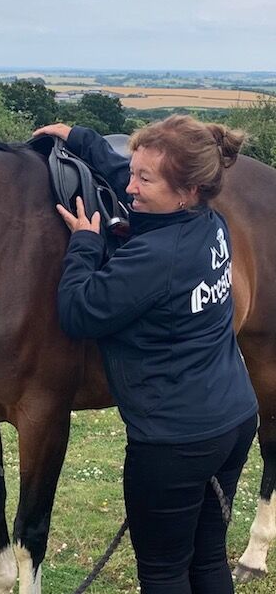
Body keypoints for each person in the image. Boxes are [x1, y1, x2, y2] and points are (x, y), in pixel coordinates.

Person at [33, 115, 259, 594]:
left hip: (175, 443)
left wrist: (85, 244)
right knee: (208, 558)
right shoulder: (209, 222)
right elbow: (124, 175)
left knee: (163, 572)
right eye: (132, 171)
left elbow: (79, 312)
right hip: (233, 419)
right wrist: (80, 138)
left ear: (188, 188)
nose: (130, 186)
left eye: (144, 177)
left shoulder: (156, 256)